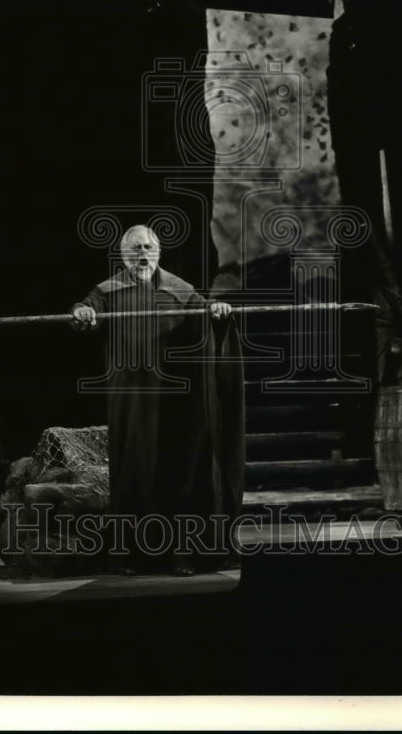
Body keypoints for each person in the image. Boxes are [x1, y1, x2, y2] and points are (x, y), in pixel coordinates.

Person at [71, 225, 244, 575]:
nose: (142, 254)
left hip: (177, 404)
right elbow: (87, 311)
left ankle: (182, 554)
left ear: (159, 252)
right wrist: (83, 314)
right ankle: (131, 556)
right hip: (132, 402)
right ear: (123, 255)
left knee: (179, 472)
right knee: (135, 472)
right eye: (135, 248)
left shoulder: (182, 291)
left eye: (149, 247)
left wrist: (219, 312)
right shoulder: (109, 291)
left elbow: (208, 315)